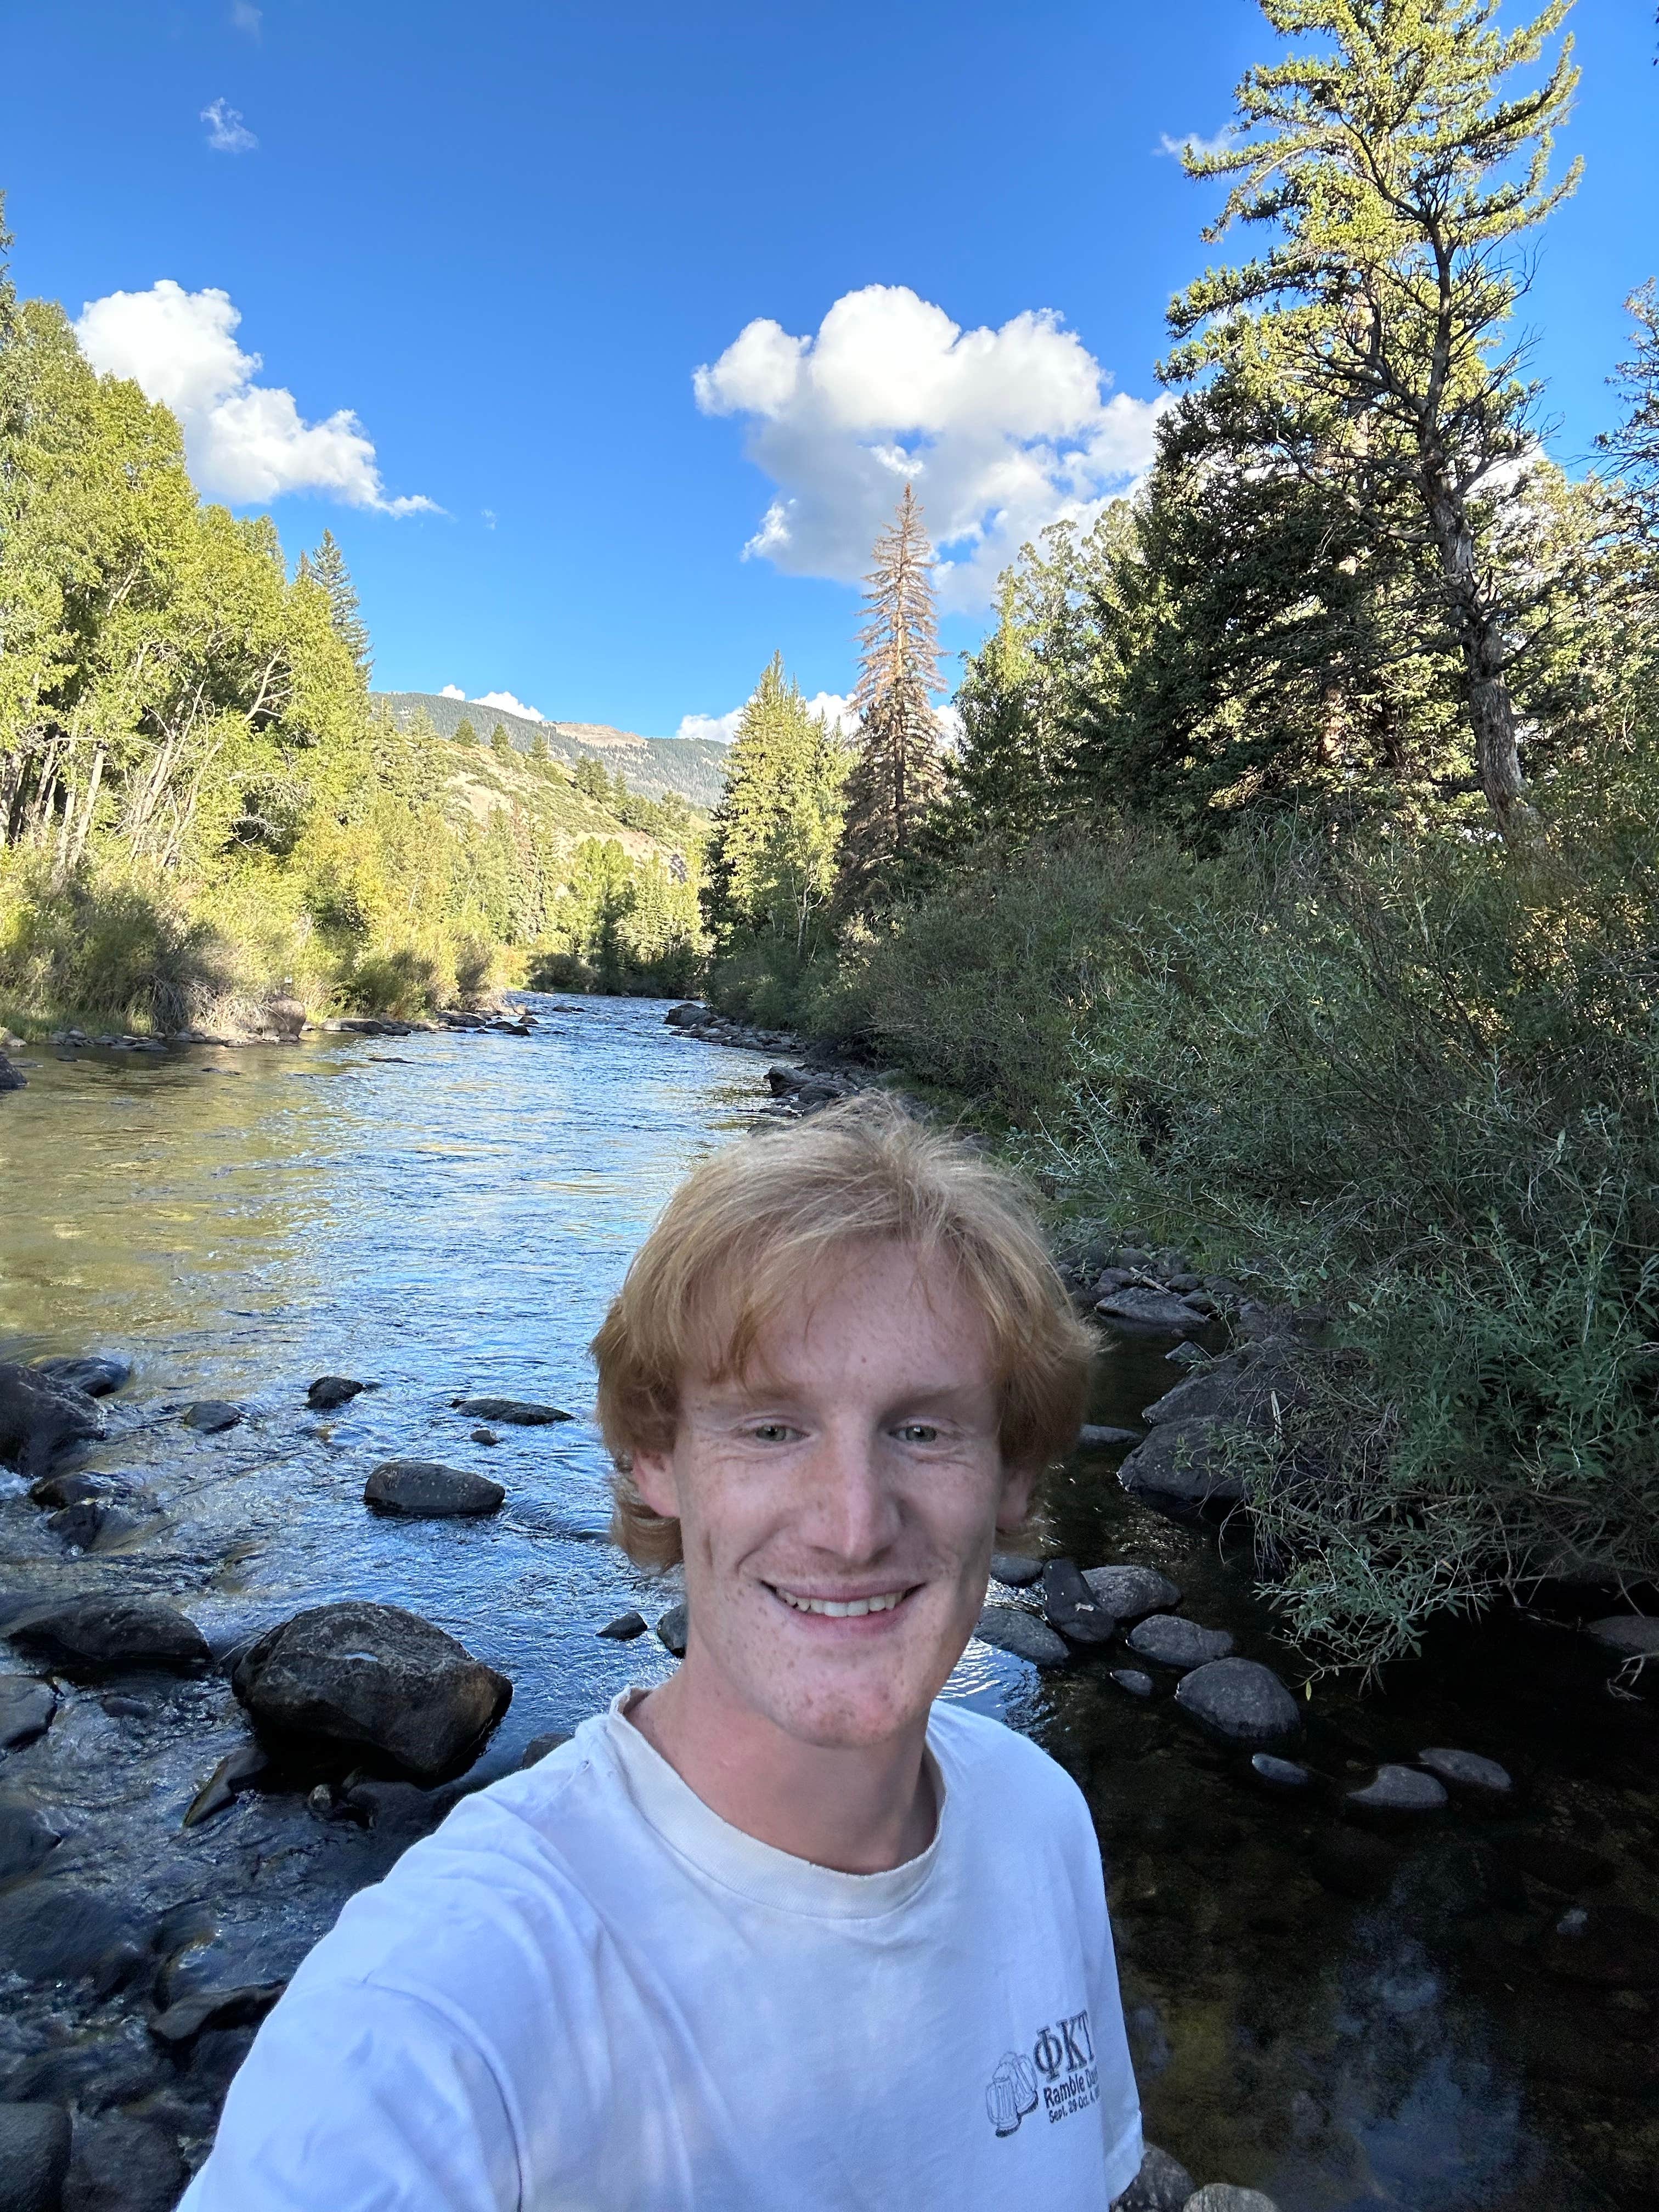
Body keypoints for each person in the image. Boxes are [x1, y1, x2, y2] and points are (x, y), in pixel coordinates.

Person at [181, 1097, 1143, 2209]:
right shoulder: (447, 1999)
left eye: (922, 1430)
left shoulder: (1037, 1817)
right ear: (655, 1460)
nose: (852, 1523)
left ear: (1013, 1474)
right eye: (771, 1428)